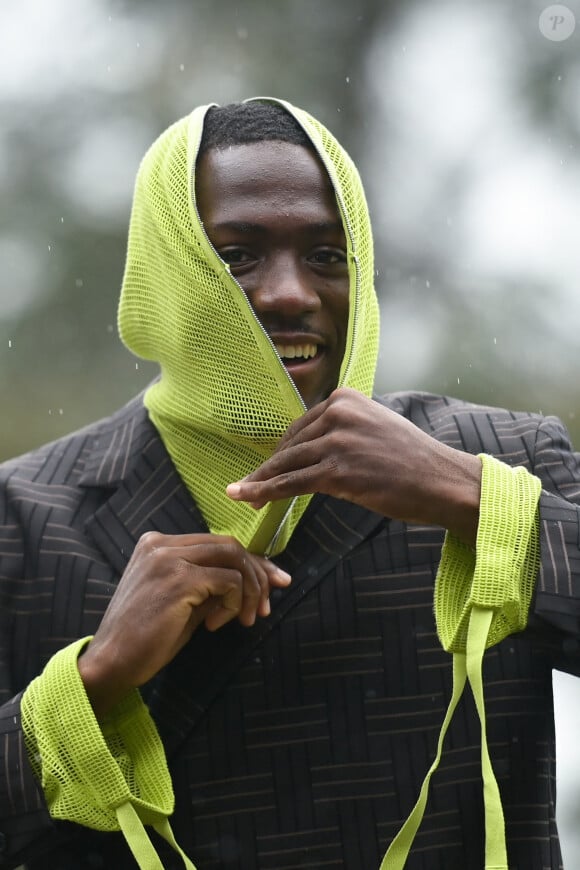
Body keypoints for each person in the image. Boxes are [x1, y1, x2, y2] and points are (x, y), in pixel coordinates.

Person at [1, 97, 580, 870]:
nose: (287, 294)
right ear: (169, 274)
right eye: (236, 255)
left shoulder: (502, 459)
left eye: (326, 255)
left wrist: (478, 502)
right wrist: (92, 681)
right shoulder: (26, 517)